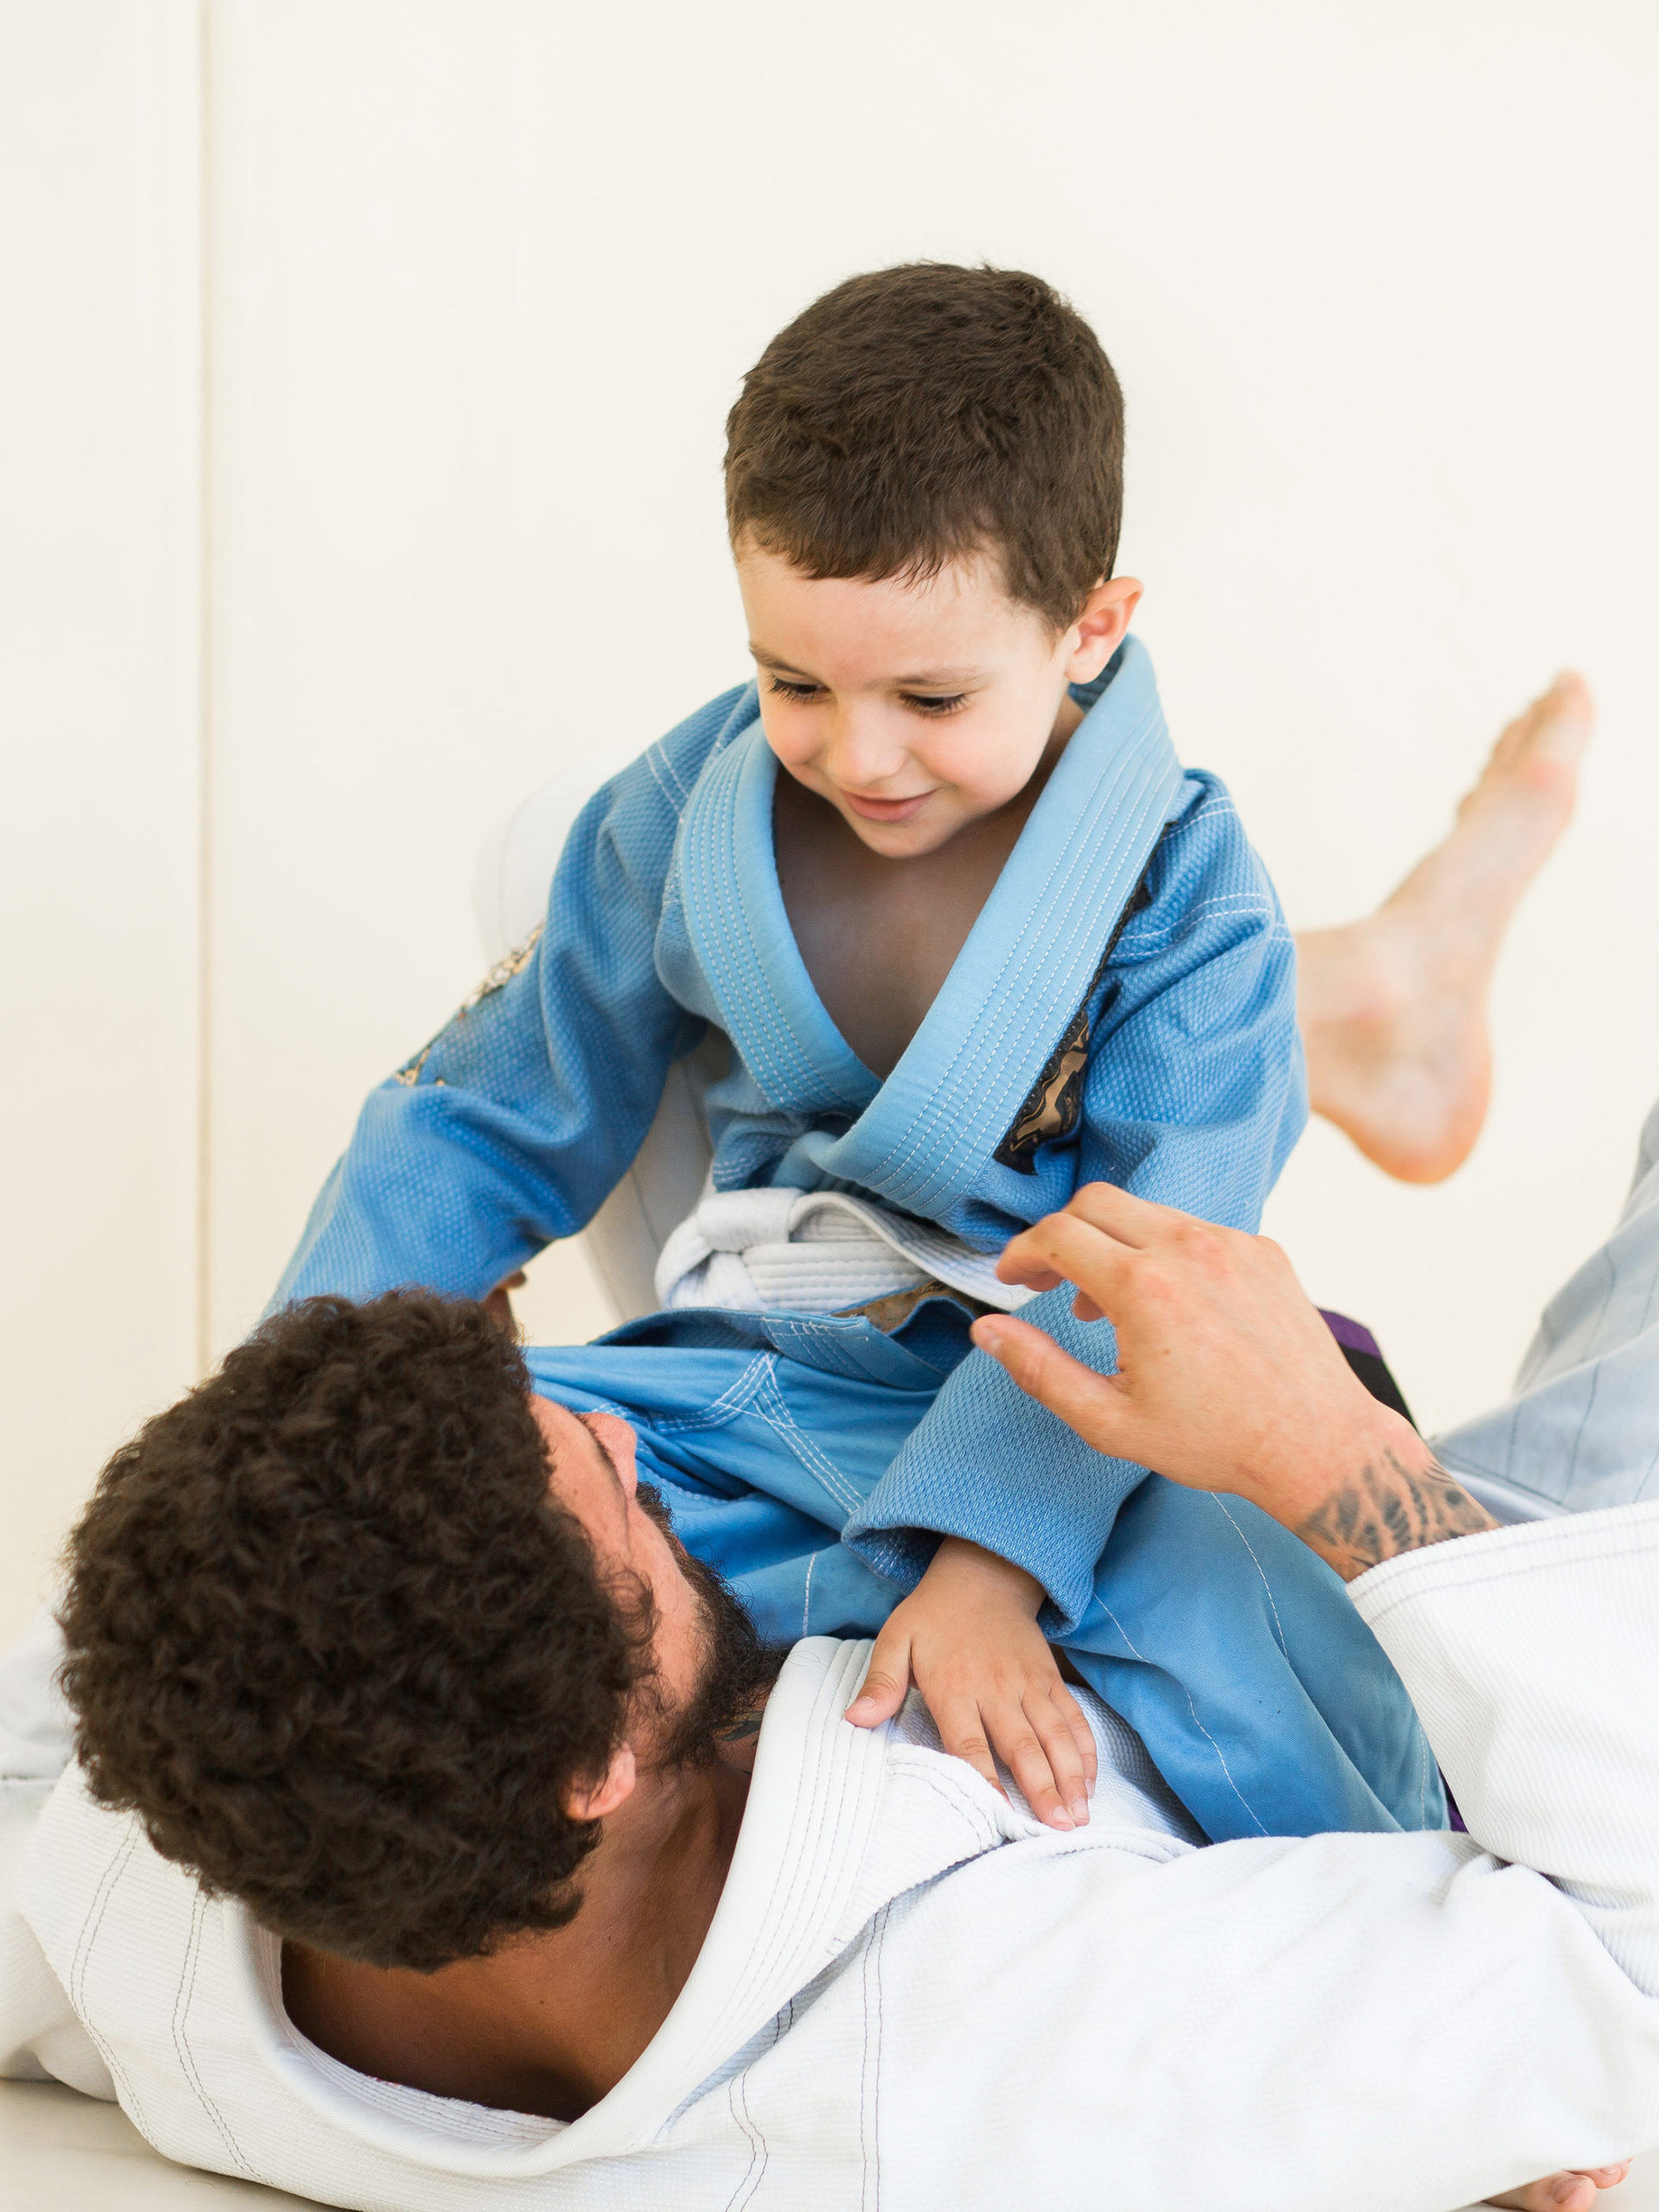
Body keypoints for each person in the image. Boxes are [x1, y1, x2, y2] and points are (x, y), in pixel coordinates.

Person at [266, 258, 1530, 1845]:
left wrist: (990, 1565)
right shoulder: (679, 816)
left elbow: (1152, 1265)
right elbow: (479, 1118)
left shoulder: (1187, 898)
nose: (858, 751)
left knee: (1264, 1660)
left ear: (1091, 626)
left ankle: (1406, 1898)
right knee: (471, 1541)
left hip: (1065, 1413)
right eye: (792, 680)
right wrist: (301, 1401)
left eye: (931, 694)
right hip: (743, 1377)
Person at [3, 1074, 1657, 2209]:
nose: (633, 1450)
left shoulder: (134, 1897)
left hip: (990, 1450)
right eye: (619, 1512)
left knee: (596, 872)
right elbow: (1632, 1966)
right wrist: (1328, 1455)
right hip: (1472, 1674)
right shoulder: (994, 2042)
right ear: (590, 1765)